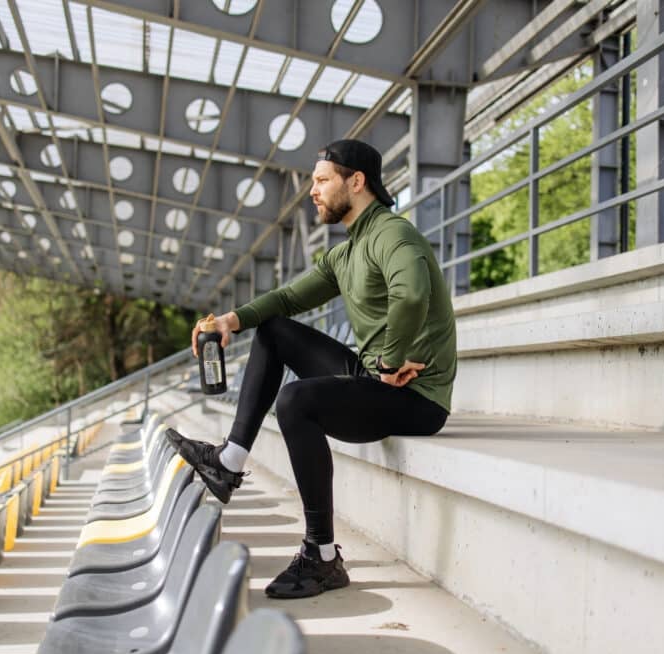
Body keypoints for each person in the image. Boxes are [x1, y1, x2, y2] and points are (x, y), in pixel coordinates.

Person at [166, 139, 457, 599]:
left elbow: (412, 295)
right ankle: (229, 462)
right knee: (274, 330)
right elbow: (285, 299)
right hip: (379, 379)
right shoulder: (346, 253)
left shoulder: (393, 235)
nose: (313, 192)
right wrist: (229, 321)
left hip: (415, 396)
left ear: (356, 182)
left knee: (295, 401)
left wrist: (390, 361)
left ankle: (321, 556)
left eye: (322, 180)